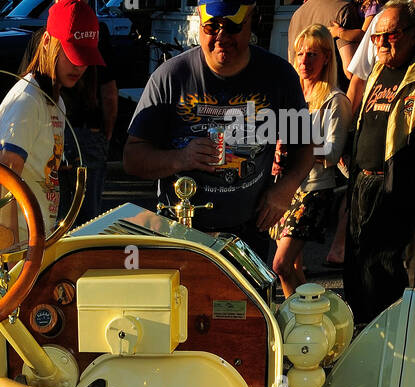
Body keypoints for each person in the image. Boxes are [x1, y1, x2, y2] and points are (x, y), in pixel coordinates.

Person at [123, 0, 315, 258]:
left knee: (243, 300)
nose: (221, 37)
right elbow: (132, 158)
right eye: (212, 27)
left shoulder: (279, 77)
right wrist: (181, 158)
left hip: (248, 232)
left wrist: (285, 188)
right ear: (200, 26)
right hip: (180, 230)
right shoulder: (171, 77)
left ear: (251, 22)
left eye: (232, 27)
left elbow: (305, 146)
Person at [0, 0, 103, 250]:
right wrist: (11, 255)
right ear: (46, 42)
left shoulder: (55, 102)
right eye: (71, 54)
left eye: (85, 56)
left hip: (33, 243)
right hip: (5, 250)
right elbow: (4, 185)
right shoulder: (26, 100)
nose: (79, 65)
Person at [344, 0, 415, 325]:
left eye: (392, 34)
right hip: (361, 184)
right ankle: (360, 335)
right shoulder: (376, 72)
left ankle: (387, 344)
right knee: (357, 269)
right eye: (377, 36)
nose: (382, 42)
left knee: (385, 273)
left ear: (412, 34)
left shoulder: (412, 76)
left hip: (394, 188)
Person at [271, 26, 351, 295]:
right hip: (287, 187)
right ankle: (307, 322)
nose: (304, 61)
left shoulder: (335, 100)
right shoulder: (293, 96)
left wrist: (297, 148)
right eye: (300, 54)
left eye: (312, 54)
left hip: (315, 190)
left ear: (327, 57)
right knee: (293, 266)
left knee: (280, 264)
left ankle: (309, 317)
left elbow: (332, 152)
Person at [59, 17, 118, 223]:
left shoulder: (46, 32)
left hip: (56, 128)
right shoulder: (96, 31)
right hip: (88, 132)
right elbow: (109, 93)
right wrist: (105, 133)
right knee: (87, 221)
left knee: (56, 216)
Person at [288, 0, 363, 84]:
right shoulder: (343, 9)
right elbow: (350, 71)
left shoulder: (296, 15)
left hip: (302, 91)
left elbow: (291, 60)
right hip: (332, 91)